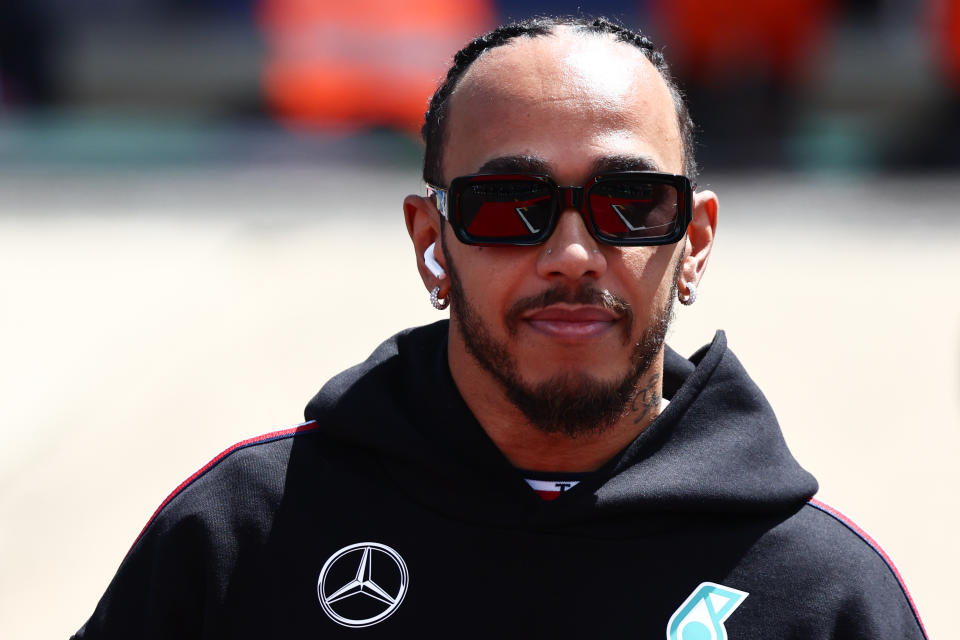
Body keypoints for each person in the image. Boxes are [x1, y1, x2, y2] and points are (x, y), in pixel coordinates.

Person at [73, 16, 927, 639]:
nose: (572, 253)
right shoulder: (244, 537)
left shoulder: (825, 595)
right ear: (429, 240)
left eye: (630, 203)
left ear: (694, 242)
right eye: (508, 205)